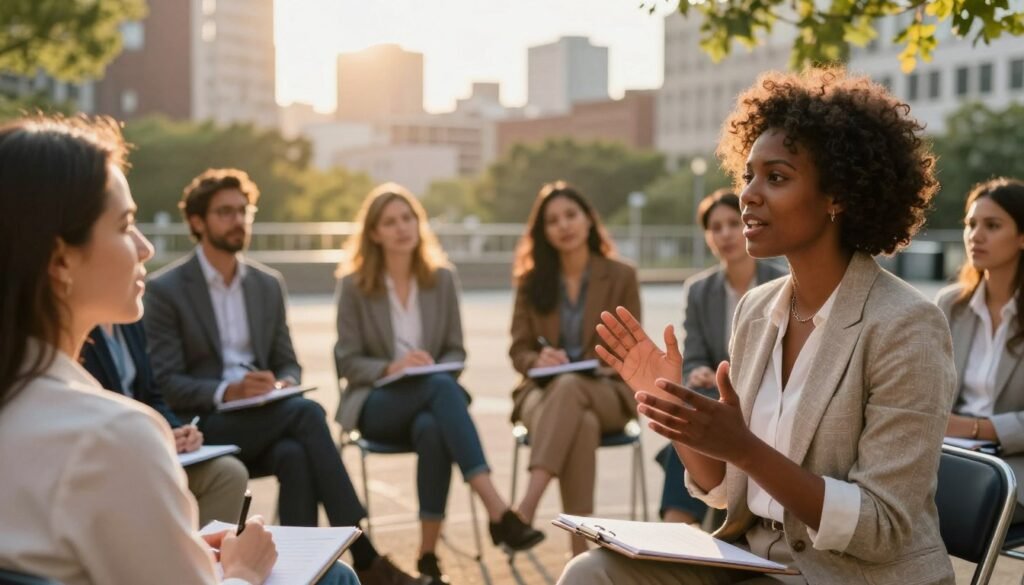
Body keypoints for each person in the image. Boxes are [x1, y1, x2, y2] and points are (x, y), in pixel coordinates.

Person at [560, 68, 958, 584]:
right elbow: (727, 489)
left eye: (777, 177)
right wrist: (672, 405)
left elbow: (879, 527)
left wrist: (744, 447)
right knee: (591, 572)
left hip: (849, 575)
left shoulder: (907, 325)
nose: (748, 194)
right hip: (753, 560)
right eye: (747, 174)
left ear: (837, 194)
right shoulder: (756, 310)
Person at [0, 115, 285, 584]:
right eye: (126, 224)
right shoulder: (110, 436)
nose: (146, 247)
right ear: (59, 258)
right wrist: (242, 570)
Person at [143, 168, 416, 584]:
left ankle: (298, 568)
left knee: (294, 449)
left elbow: (289, 362)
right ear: (197, 222)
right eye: (225, 212)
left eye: (244, 211)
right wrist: (229, 390)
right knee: (306, 415)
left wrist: (281, 384)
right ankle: (363, 553)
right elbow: (167, 383)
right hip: (207, 425)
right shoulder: (166, 290)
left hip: (269, 416)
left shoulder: (268, 285)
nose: (239, 220)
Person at [334, 183, 545, 583]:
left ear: (419, 223)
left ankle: (427, 558)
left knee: (434, 427)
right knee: (443, 391)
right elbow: (348, 360)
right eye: (390, 222)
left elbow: (455, 352)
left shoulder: (442, 280)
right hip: (376, 404)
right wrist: (393, 368)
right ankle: (498, 511)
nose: (402, 228)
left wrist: (430, 366)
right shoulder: (354, 285)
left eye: (408, 218)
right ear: (374, 233)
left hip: (430, 398)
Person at [508, 181, 642, 556]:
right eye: (552, 220)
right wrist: (537, 360)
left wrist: (593, 363)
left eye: (571, 215)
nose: (563, 225)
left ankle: (525, 508)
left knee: (571, 388)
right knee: (578, 421)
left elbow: (631, 347)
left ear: (588, 220)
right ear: (543, 232)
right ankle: (580, 563)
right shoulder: (531, 281)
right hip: (542, 397)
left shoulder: (621, 275)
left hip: (607, 391)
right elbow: (518, 348)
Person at [657, 189, 786, 525]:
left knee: (690, 428)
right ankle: (682, 524)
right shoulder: (699, 290)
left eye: (733, 223)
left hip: (765, 395)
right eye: (716, 227)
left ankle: (678, 525)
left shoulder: (782, 282)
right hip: (714, 394)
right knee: (687, 415)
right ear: (708, 237)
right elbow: (694, 354)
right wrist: (698, 370)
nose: (726, 233)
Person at [80, 320, 249, 526]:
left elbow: (151, 395)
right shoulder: (76, 328)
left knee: (229, 473)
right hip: (111, 456)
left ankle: (208, 555)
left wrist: (175, 429)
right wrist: (153, 438)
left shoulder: (130, 324)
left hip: (150, 446)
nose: (141, 285)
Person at [936, 177, 1024, 519]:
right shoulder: (950, 305)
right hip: (950, 455)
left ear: (1021, 237)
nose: (976, 235)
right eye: (971, 224)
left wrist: (972, 428)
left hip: (1013, 467)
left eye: (992, 225)